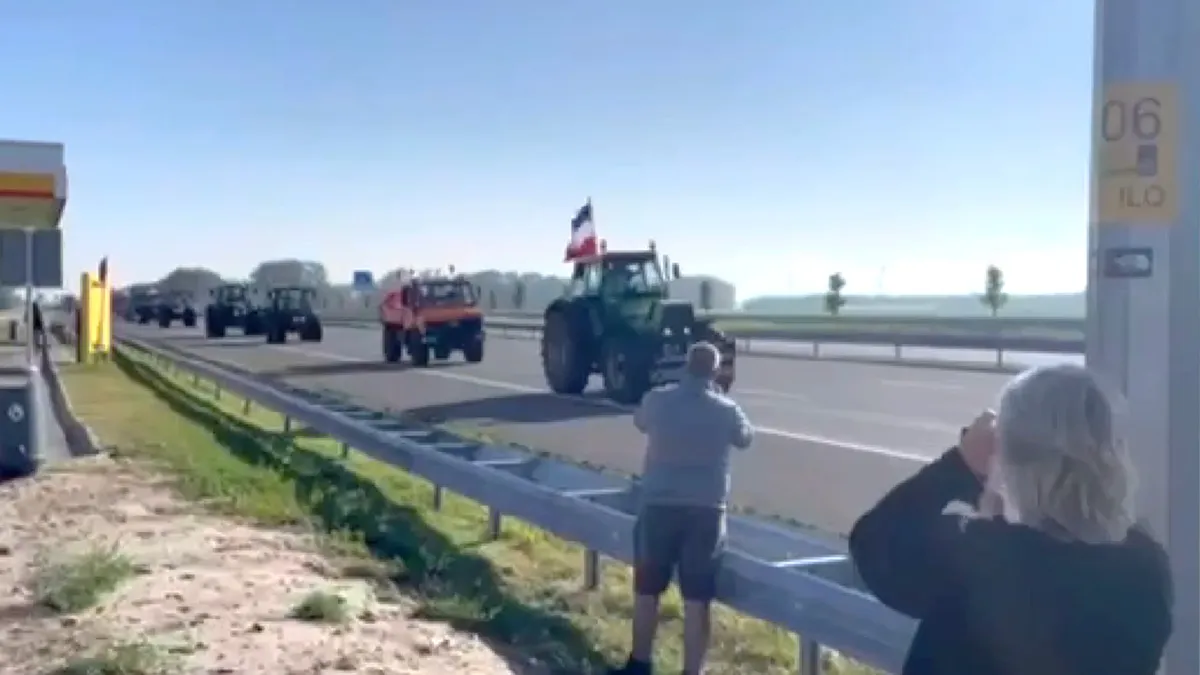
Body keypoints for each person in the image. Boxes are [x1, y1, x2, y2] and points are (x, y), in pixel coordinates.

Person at [849, 364, 1172, 675]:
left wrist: (961, 463)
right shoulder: (1145, 568)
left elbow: (874, 542)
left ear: (1012, 462)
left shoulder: (978, 560)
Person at [611, 341, 755, 675]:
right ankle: (692, 671)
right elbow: (745, 438)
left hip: (659, 505)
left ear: (685, 366)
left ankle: (640, 663)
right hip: (705, 511)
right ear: (716, 370)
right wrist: (724, 392)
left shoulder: (659, 399)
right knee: (697, 598)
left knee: (647, 590)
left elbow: (640, 422)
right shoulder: (726, 409)